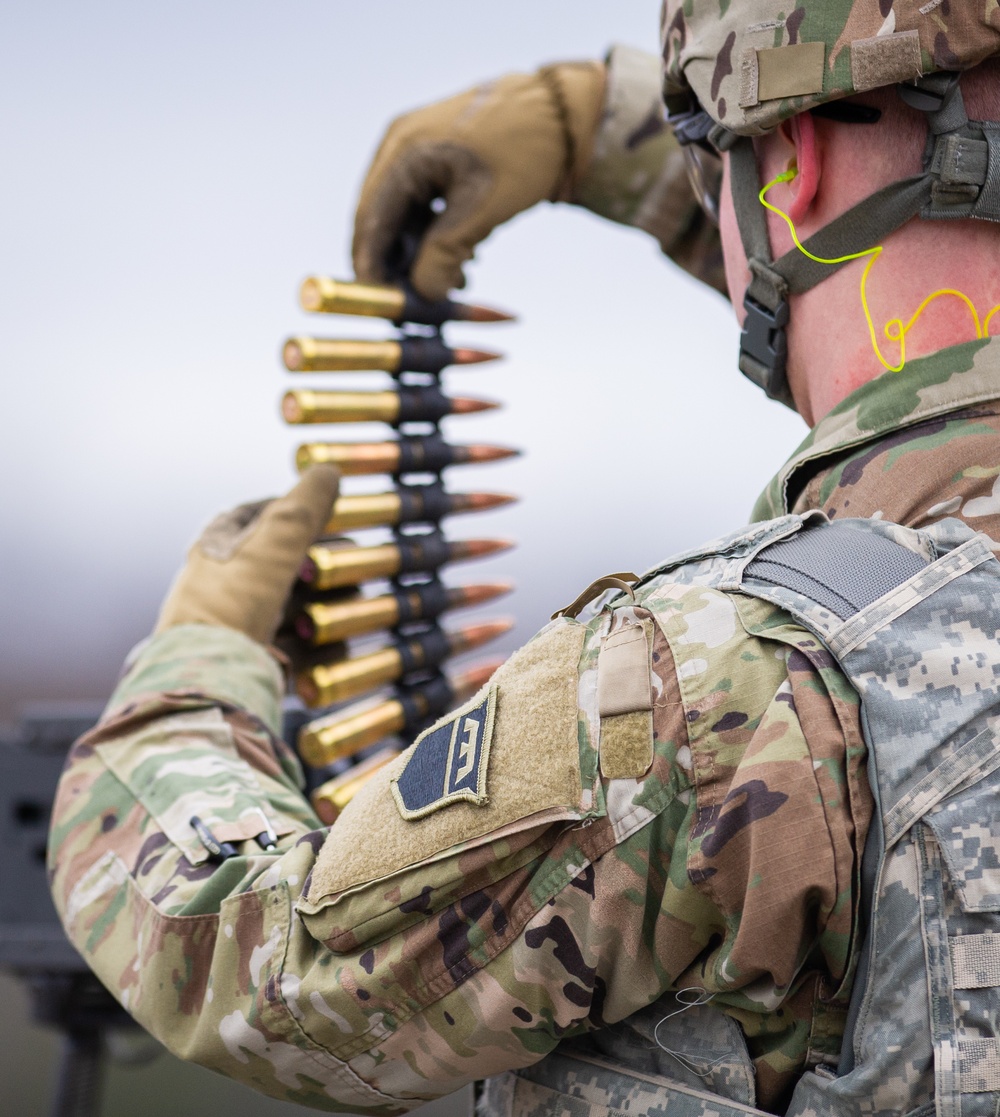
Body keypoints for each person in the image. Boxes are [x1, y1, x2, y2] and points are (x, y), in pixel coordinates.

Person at [47, 5, 1000, 1115]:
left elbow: (277, 977)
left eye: (717, 165)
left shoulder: (710, 692)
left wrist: (187, 682)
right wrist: (612, 131)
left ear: (789, 166)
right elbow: (899, 235)